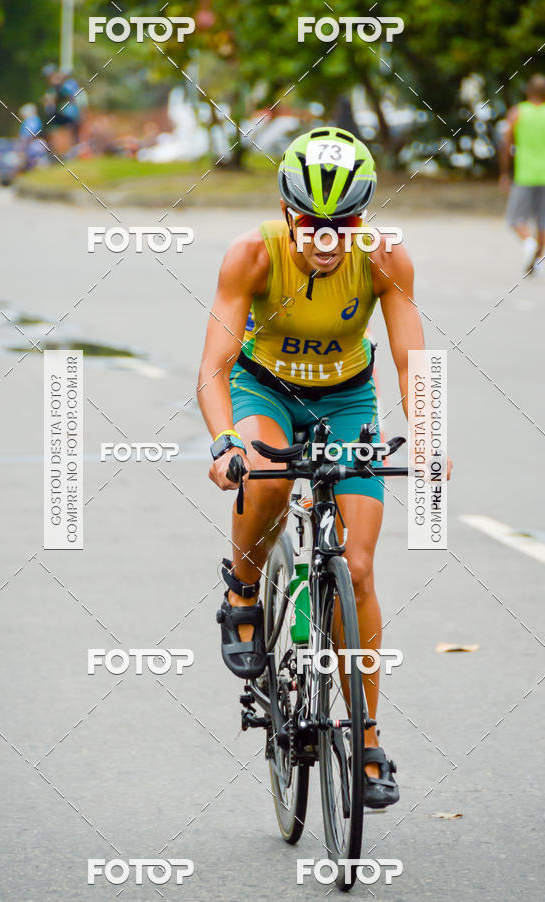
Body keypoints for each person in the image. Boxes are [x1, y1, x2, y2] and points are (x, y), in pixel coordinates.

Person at [198, 127, 452, 810]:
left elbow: (413, 362)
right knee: (268, 477)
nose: (327, 238)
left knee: (359, 569)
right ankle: (243, 592)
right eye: (312, 223)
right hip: (264, 391)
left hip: (346, 400)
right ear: (287, 213)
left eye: (344, 223)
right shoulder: (253, 254)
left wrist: (429, 437)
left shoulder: (385, 257)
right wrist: (225, 442)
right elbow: (213, 369)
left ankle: (365, 737)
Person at [500, 74, 545, 274]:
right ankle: (538, 259)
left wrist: (504, 173)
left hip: (525, 174)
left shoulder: (517, 113)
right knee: (543, 220)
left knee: (515, 218)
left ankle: (528, 243)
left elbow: (506, 145)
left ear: (528, 91)